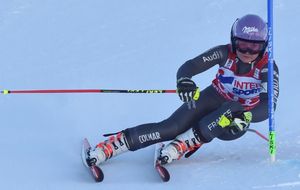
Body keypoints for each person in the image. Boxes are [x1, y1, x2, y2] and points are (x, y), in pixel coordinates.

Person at [85, 14, 279, 166]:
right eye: (242, 44)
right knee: (170, 127)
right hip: (212, 97)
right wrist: (184, 81)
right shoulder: (223, 52)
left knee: (234, 107)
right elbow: (190, 66)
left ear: (263, 46)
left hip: (233, 122)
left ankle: (183, 144)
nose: (247, 52)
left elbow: (269, 105)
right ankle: (110, 146)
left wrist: (247, 117)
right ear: (233, 40)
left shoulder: (267, 67)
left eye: (254, 47)